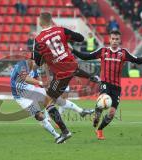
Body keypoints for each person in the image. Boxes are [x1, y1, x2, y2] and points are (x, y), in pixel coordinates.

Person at [72, 30, 142, 140]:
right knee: (102, 102)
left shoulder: (124, 53)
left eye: (117, 39)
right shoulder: (103, 51)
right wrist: (73, 50)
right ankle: (97, 116)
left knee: (112, 113)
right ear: (109, 39)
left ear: (120, 40)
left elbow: (138, 61)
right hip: (105, 83)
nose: (115, 41)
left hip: (117, 87)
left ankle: (100, 129)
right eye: (113, 39)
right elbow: (86, 57)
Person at [32, 12, 99, 144]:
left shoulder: (38, 40)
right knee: (72, 69)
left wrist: (47, 57)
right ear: (51, 20)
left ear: (40, 22)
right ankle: (93, 77)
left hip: (61, 74)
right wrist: (66, 42)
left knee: (48, 102)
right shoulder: (61, 30)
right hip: (72, 66)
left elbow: (38, 62)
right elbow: (80, 38)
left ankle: (65, 131)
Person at [10, 59, 94, 142]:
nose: (39, 65)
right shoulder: (22, 65)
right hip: (21, 96)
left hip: (32, 90)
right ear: (32, 61)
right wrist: (42, 83)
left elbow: (36, 78)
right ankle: (56, 136)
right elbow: (26, 78)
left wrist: (45, 85)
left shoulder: (35, 69)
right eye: (38, 63)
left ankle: (80, 111)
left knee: (56, 98)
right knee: (39, 116)